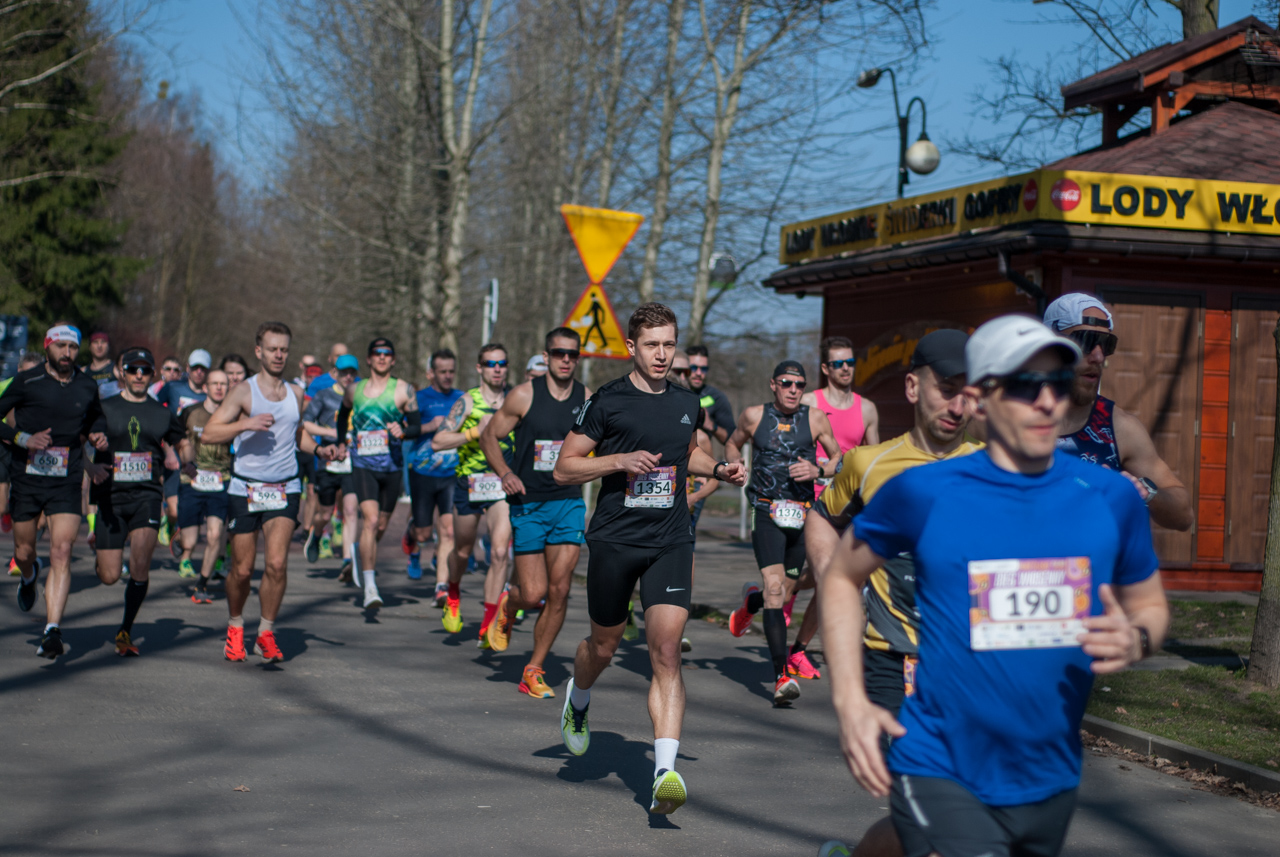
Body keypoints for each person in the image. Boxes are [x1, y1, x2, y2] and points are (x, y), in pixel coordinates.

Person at [822, 315, 1169, 857]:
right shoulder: (922, 491)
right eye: (1025, 385)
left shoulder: (1109, 497)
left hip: (1048, 774)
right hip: (940, 759)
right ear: (981, 398)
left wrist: (1138, 638)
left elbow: (1148, 603)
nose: (1046, 401)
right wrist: (850, 701)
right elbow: (843, 576)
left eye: (1056, 384)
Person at [553, 303, 746, 816]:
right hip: (615, 540)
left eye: (668, 344)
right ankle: (579, 697)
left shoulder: (686, 402)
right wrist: (617, 460)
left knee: (665, 651)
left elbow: (688, 453)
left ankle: (665, 772)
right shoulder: (607, 402)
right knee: (604, 644)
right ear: (632, 349)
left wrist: (719, 468)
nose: (662, 354)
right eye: (652, 345)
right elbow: (563, 468)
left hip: (669, 539)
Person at [201, 322, 334, 663]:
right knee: (242, 570)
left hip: (285, 487)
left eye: (284, 349)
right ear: (258, 351)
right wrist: (244, 424)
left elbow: (296, 433)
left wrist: (318, 450)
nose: (279, 355)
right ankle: (234, 626)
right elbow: (210, 433)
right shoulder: (243, 392)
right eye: (272, 349)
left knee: (276, 564)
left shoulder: (296, 392)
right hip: (245, 488)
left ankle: (265, 632)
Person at [478, 328, 589, 697]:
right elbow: (488, 436)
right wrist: (506, 473)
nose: (566, 359)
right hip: (529, 503)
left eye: (572, 354)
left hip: (569, 501)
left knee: (560, 589)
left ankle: (534, 668)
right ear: (546, 355)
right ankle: (511, 602)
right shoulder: (525, 395)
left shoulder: (588, 399)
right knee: (535, 592)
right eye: (559, 353)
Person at [723, 360, 840, 706]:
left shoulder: (815, 418)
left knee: (786, 591)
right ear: (773, 384)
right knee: (776, 589)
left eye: (799, 385)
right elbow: (732, 443)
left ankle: (751, 603)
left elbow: (839, 459)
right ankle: (781, 676)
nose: (793, 390)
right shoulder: (753, 415)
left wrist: (819, 469)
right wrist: (736, 464)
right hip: (767, 510)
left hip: (804, 516)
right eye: (786, 383)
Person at [0, 323, 106, 658]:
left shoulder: (87, 385)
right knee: (24, 552)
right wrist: (23, 438)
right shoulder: (27, 382)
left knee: (62, 550)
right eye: (60, 347)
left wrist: (97, 435)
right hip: (28, 479)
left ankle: (52, 630)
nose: (67, 354)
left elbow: (95, 419)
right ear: (47, 347)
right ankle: (29, 577)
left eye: (73, 348)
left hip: (67, 479)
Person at [1047, 293, 1194, 532]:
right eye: (1085, 340)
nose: (1098, 356)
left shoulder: (1119, 426)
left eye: (1106, 345)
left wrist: (1144, 491)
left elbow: (1183, 515)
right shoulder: (1010, 417)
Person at [787, 336, 884, 678]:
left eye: (850, 362)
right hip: (810, 500)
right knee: (825, 574)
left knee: (832, 577)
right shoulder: (810, 401)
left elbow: (874, 460)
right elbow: (788, 443)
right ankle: (780, 599)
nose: (846, 369)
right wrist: (814, 470)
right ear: (826, 368)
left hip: (849, 503)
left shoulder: (867, 408)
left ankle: (794, 635)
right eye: (838, 363)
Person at [84, 347, 187, 656]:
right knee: (109, 575)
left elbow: (183, 440)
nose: (139, 375)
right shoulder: (104, 408)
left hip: (146, 495)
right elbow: (85, 436)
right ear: (121, 372)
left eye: (144, 370)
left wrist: (184, 458)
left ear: (152, 375)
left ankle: (125, 630)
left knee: (141, 564)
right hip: (110, 498)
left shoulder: (162, 412)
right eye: (132, 369)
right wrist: (93, 447)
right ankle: (103, 559)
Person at [432, 343, 515, 645]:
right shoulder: (467, 402)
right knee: (463, 551)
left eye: (501, 363)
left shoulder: (515, 401)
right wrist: (471, 433)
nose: (496, 368)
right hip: (470, 484)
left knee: (499, 552)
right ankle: (453, 591)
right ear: (479, 368)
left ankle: (489, 622)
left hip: (502, 484)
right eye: (490, 363)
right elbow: (438, 441)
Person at [334, 337, 422, 609]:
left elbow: (417, 426)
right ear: (369, 359)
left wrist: (404, 430)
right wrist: (340, 442)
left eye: (387, 353)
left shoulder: (405, 390)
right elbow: (341, 417)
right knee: (370, 521)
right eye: (377, 353)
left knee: (380, 526)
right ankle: (370, 587)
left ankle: (360, 556)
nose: (382, 357)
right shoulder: (354, 390)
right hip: (363, 465)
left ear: (393, 360)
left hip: (392, 467)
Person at [403, 349, 463, 596]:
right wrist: (431, 425)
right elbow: (406, 430)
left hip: (452, 473)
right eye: (443, 372)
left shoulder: (462, 399)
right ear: (432, 374)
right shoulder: (419, 398)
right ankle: (412, 538)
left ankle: (441, 587)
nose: (448, 376)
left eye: (451, 371)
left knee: (449, 529)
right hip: (423, 473)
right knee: (424, 532)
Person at [177, 369, 235, 602]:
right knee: (190, 541)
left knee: (214, 536)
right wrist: (184, 459)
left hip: (221, 481)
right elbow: (176, 437)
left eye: (224, 383)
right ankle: (179, 537)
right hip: (192, 479)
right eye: (215, 383)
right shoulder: (191, 412)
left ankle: (201, 584)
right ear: (206, 387)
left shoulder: (235, 414)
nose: (219, 387)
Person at [301, 354, 359, 565]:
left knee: (351, 509)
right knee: (325, 514)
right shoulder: (324, 396)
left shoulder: (360, 397)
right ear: (335, 373)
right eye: (344, 373)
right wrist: (334, 433)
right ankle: (316, 535)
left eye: (352, 373)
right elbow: (306, 424)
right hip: (328, 459)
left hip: (352, 460)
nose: (348, 377)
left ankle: (347, 561)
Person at [155, 349, 210, 547]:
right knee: (174, 509)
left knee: (192, 507)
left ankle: (185, 548)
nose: (198, 372)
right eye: (195, 368)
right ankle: (169, 522)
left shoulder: (210, 395)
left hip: (199, 455)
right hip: (174, 451)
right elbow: (153, 405)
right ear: (188, 369)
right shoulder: (173, 388)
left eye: (203, 369)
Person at [1, 352, 44, 550]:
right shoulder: (6, 386)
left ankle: (24, 553)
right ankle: (8, 512)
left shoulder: (47, 392)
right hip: (5, 448)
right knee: (2, 506)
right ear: (19, 371)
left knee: (39, 517)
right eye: (27, 373)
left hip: (34, 451)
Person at [685, 344, 735, 444]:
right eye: (694, 368)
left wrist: (711, 425)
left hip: (700, 452)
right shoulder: (669, 391)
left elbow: (732, 439)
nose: (699, 373)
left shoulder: (716, 397)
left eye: (703, 369)